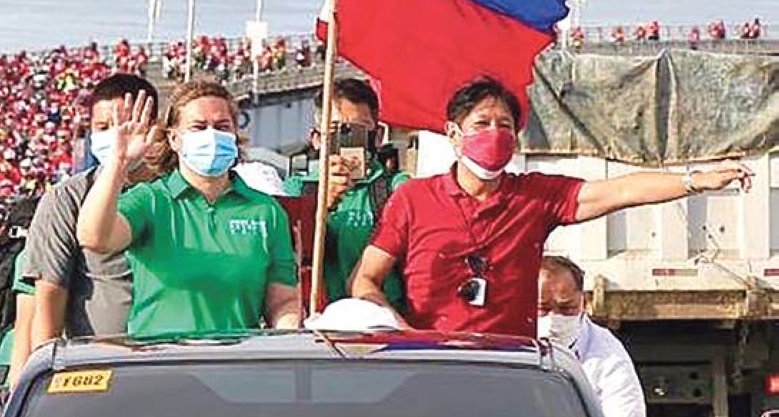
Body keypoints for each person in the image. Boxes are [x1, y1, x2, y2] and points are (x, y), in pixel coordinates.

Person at [351, 75, 752, 339]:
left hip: (510, 366)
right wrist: (403, 333)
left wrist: (694, 180)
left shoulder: (534, 196)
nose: (494, 134)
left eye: (504, 126)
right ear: (454, 134)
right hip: (433, 365)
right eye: (482, 124)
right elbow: (365, 280)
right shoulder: (413, 199)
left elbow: (618, 192)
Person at [75, 80, 301, 337]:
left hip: (237, 365)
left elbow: (282, 301)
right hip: (162, 363)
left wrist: (290, 328)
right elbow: (94, 237)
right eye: (198, 127)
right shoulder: (151, 201)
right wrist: (118, 162)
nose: (211, 135)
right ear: (174, 138)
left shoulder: (266, 211)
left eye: (222, 127)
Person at [22, 73, 159, 353]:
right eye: (103, 127)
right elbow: (48, 301)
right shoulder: (66, 198)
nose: (117, 135)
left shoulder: (174, 192)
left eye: (125, 124)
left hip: (169, 359)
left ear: (152, 128)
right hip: (98, 362)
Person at [283, 78, 409, 307]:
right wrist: (321, 205)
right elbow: (288, 258)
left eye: (358, 129)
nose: (346, 137)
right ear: (317, 139)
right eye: (336, 129)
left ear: (378, 136)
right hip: (317, 322)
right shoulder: (296, 190)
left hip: (380, 320)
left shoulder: (398, 189)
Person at [538, 255, 647, 417]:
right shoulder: (503, 341)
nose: (554, 319)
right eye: (543, 309)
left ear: (584, 302)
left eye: (566, 308)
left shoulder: (607, 354)